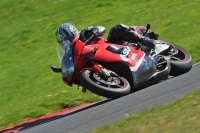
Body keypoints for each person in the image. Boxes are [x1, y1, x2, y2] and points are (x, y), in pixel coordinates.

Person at [55, 22, 155, 51]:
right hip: (105, 62)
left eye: (65, 41)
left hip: (111, 46)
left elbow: (101, 28)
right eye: (62, 43)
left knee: (115, 29)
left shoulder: (84, 33)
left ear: (72, 33)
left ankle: (144, 40)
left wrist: (95, 32)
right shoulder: (72, 53)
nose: (65, 44)